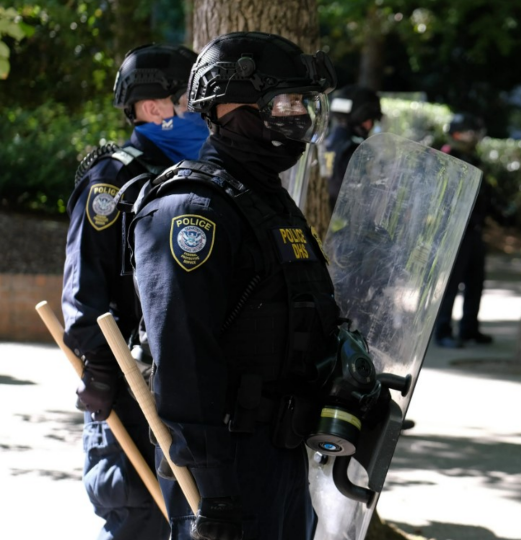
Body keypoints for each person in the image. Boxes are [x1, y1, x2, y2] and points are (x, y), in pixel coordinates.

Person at [129, 32, 339, 539]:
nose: (298, 116)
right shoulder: (193, 210)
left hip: (283, 453)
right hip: (226, 465)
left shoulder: (267, 200)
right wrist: (214, 488)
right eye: (284, 102)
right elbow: (183, 358)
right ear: (227, 108)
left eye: (303, 102)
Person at [62, 43, 202, 540]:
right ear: (152, 107)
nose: (201, 111)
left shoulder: (199, 177)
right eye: (191, 98)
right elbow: (86, 290)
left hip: (187, 390)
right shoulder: (113, 181)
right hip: (128, 385)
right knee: (137, 518)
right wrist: (100, 368)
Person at [433, 112, 495, 348]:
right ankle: (443, 331)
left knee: (475, 282)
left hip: (474, 229)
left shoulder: (472, 158)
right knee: (451, 285)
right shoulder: (449, 156)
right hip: (454, 231)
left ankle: (469, 329)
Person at [326, 84, 382, 210]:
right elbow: (365, 200)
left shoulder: (324, 142)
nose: (371, 125)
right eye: (371, 119)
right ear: (362, 117)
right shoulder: (358, 152)